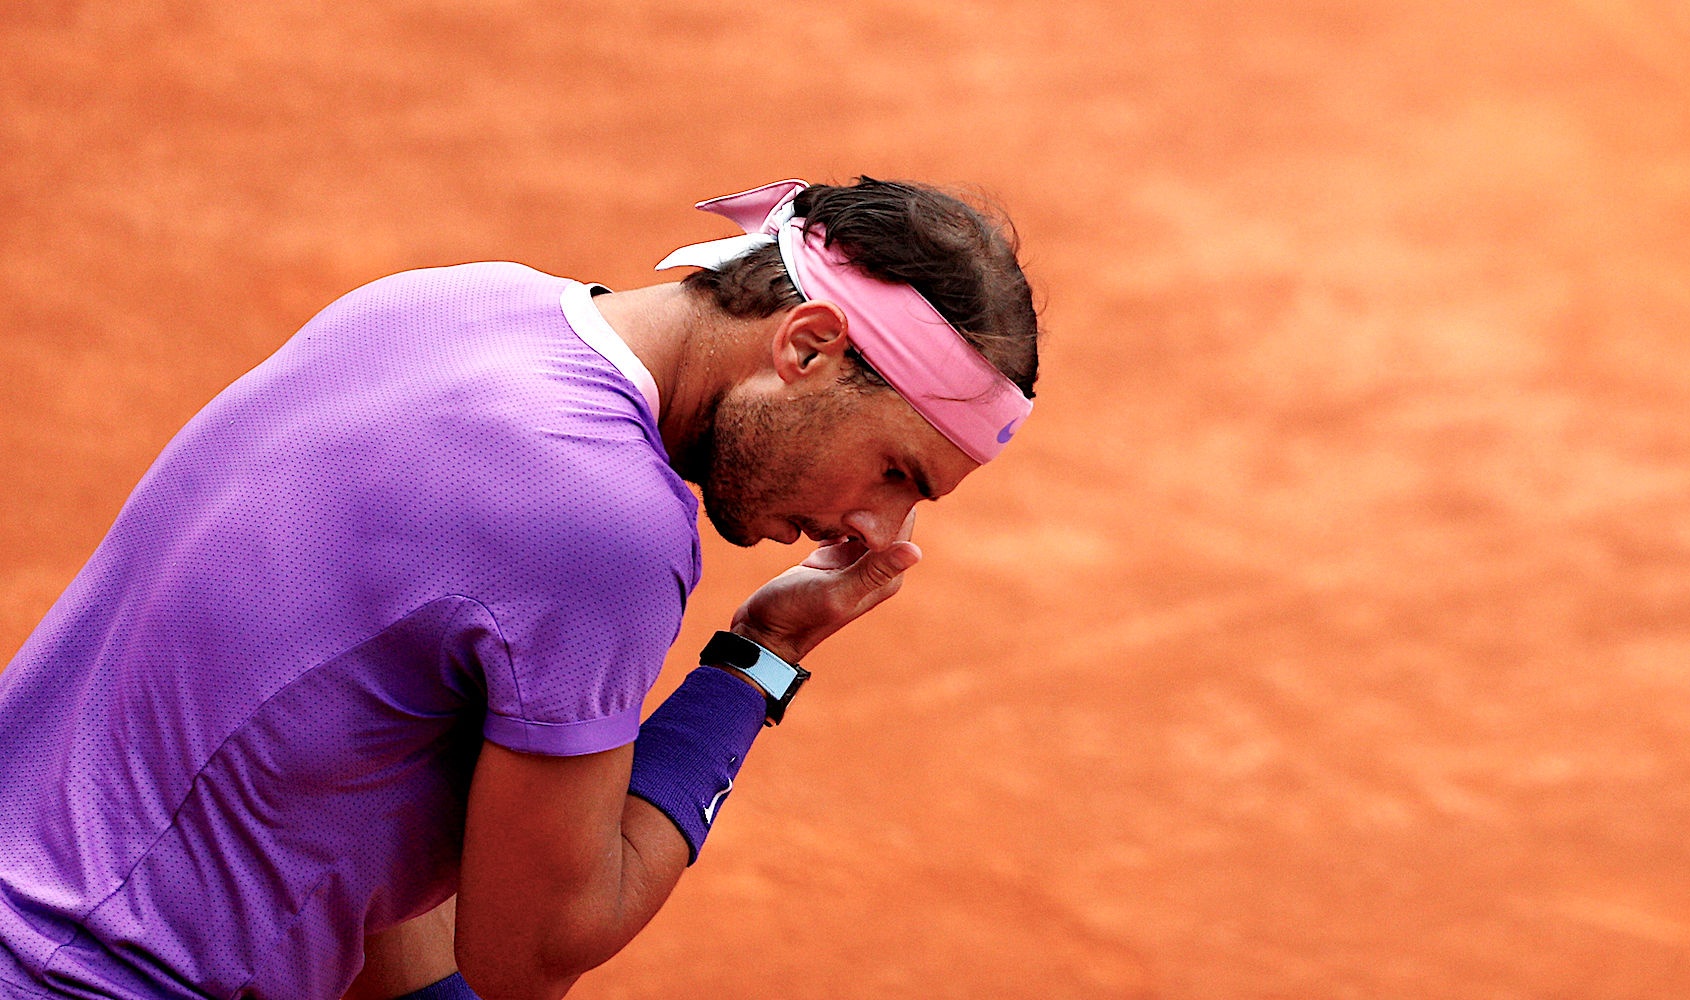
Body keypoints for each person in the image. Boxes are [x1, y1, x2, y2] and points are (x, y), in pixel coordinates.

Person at [0, 177, 1040, 1000]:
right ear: (809, 347)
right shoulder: (605, 524)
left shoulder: (449, 302)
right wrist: (757, 659)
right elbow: (532, 952)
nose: (878, 528)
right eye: (897, 472)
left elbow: (348, 795)